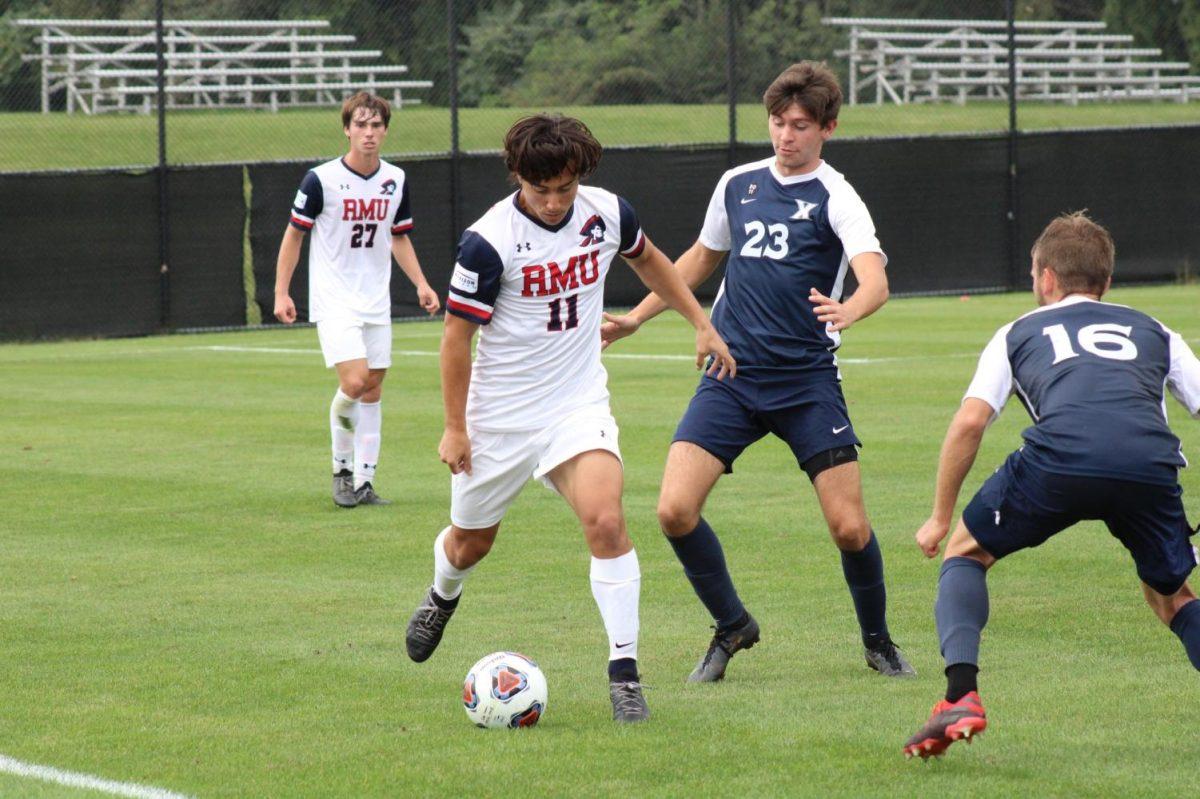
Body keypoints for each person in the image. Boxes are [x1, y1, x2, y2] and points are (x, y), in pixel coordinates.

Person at [403, 114, 736, 723]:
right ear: (518, 179)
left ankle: (625, 676)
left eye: (565, 188)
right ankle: (441, 594)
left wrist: (702, 322)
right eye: (541, 191)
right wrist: (455, 426)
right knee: (471, 543)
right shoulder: (488, 241)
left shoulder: (607, 211)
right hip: (499, 418)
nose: (555, 203)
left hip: (576, 404)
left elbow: (654, 262)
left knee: (607, 521)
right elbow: (455, 339)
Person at [602, 61, 914, 682]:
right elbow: (696, 259)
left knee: (850, 528)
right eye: (777, 122)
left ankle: (878, 642)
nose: (785, 136)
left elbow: (874, 275)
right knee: (673, 510)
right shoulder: (737, 183)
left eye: (800, 125)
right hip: (731, 373)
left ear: (828, 127)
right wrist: (637, 317)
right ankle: (732, 625)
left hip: (806, 382)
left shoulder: (837, 195)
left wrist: (850, 307)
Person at [903, 212, 1200, 759]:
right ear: (1106, 283)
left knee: (966, 554)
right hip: (1148, 465)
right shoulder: (1154, 328)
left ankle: (958, 697)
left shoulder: (1018, 330)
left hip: (1059, 459)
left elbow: (971, 422)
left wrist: (940, 517)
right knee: (1173, 598)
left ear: (1043, 278)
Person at [274, 91, 440, 509]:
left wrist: (421, 283)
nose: (369, 133)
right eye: (361, 125)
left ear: (385, 130)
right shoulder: (320, 179)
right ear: (347, 129)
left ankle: (365, 481)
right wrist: (281, 291)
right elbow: (295, 234)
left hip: (375, 299)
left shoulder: (396, 180)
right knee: (354, 382)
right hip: (334, 298)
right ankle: (342, 472)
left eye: (376, 125)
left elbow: (398, 237)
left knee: (373, 389)